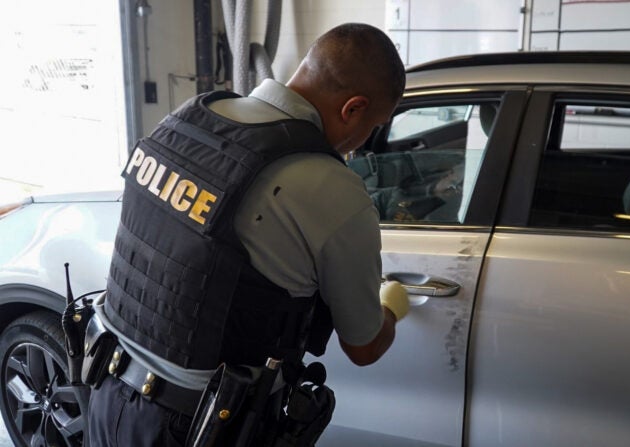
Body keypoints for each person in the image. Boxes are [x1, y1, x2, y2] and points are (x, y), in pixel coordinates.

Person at [86, 23, 408, 446]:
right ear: (353, 108)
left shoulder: (187, 117)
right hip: (196, 427)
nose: (362, 144)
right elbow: (364, 348)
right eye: (373, 127)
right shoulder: (333, 191)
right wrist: (390, 309)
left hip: (104, 395)